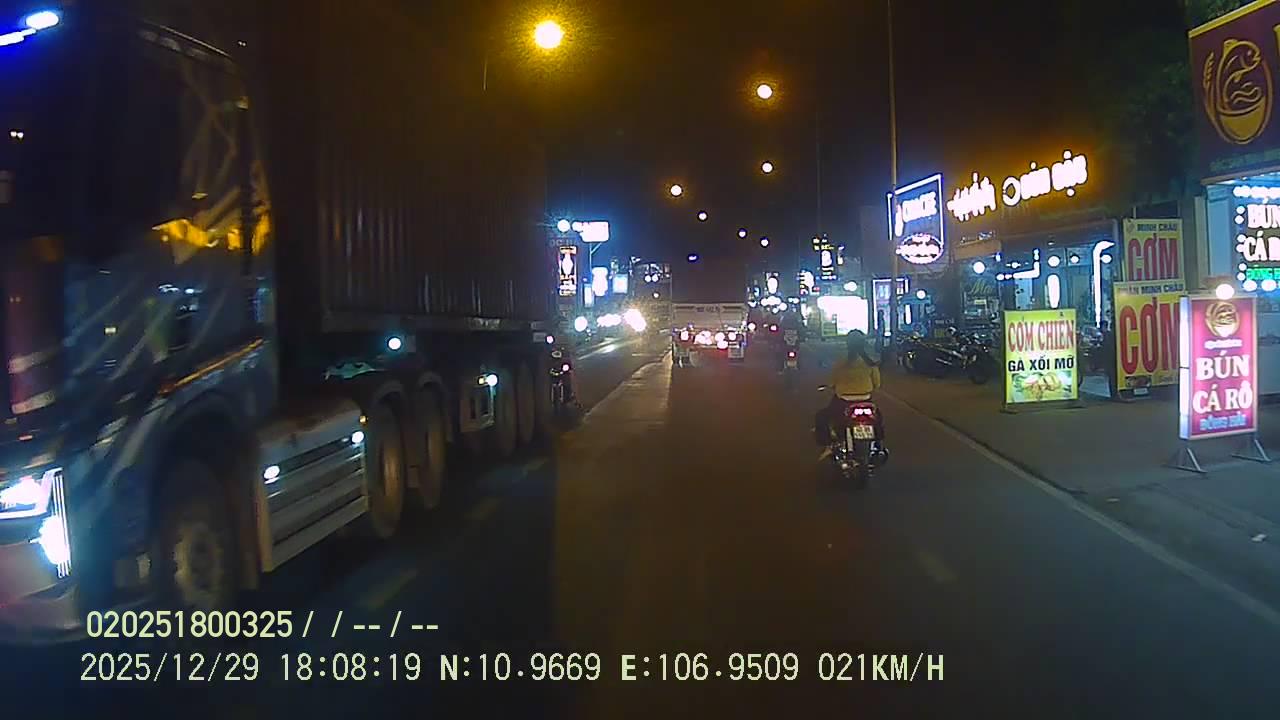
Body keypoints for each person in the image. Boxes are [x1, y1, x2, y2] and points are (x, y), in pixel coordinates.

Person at [814, 330, 884, 446]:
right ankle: (878, 444)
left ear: (848, 344)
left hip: (843, 401)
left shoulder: (841, 362)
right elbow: (877, 384)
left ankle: (828, 445)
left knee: (821, 417)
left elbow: (832, 383)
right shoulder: (870, 362)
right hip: (866, 400)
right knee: (878, 419)